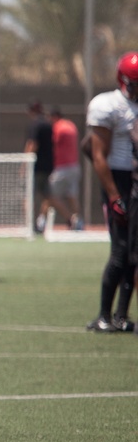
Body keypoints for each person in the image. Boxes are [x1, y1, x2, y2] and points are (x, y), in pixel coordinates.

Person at [86, 51, 138, 332]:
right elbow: (96, 154)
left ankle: (121, 316)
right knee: (119, 252)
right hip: (118, 182)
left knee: (133, 254)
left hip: (136, 181)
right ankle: (104, 315)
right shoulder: (108, 105)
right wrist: (114, 195)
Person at [47, 107, 83, 230]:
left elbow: (53, 145)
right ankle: (78, 220)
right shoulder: (71, 125)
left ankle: (69, 219)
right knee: (72, 195)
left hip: (62, 167)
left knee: (50, 195)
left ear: (54, 117)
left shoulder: (58, 128)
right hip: (74, 166)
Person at [24, 100, 54, 234]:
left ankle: (30, 224)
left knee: (28, 195)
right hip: (48, 165)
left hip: (35, 167)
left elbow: (32, 144)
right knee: (46, 195)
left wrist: (25, 164)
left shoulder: (35, 125)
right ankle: (40, 222)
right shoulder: (48, 124)